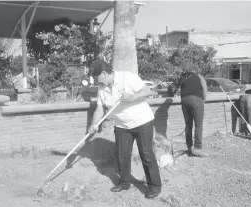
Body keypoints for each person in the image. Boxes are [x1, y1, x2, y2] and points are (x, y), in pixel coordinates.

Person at [87, 59, 162, 199]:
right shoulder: (102, 88)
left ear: (103, 73)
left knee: (146, 153)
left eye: (97, 78)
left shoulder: (127, 77)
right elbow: (99, 108)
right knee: (122, 154)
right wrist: (94, 124)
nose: (97, 81)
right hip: (122, 125)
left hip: (142, 121)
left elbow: (148, 91)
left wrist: (133, 97)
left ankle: (154, 186)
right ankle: (124, 182)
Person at [180, 71, 208, 157]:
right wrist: (203, 99)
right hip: (196, 100)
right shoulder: (199, 77)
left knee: (188, 124)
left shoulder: (183, 81)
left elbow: (181, 92)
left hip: (184, 100)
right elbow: (204, 87)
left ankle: (189, 147)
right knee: (198, 124)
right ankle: (197, 148)